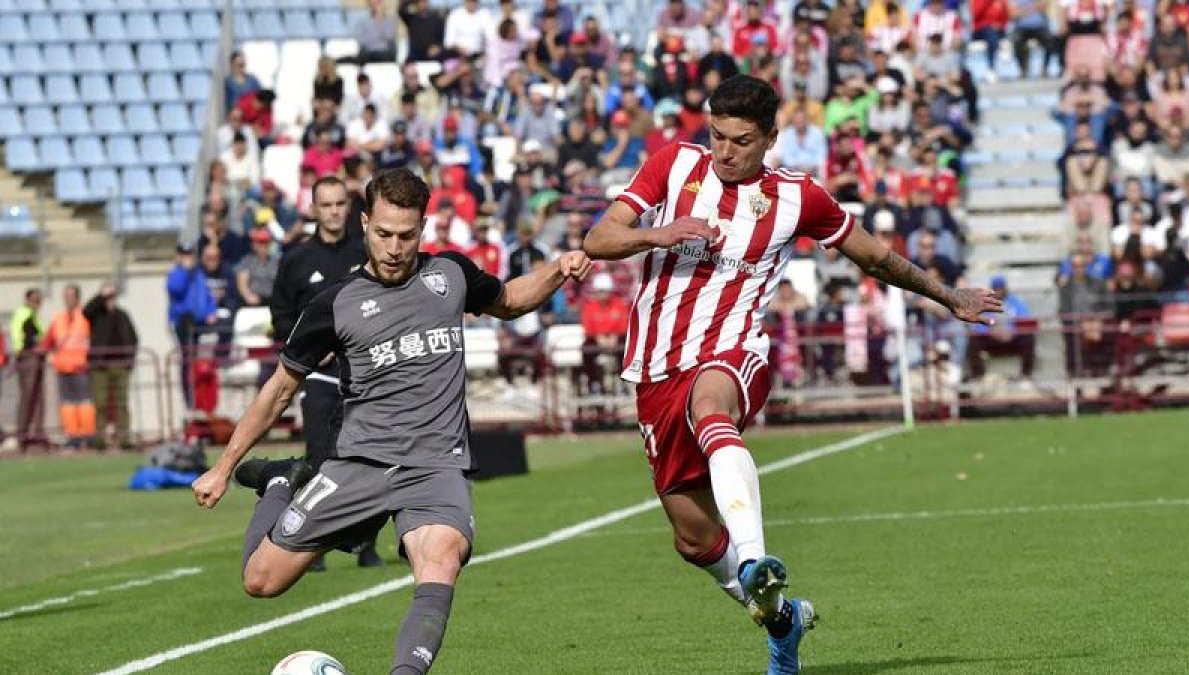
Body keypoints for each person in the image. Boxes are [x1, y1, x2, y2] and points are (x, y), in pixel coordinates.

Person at [582, 74, 1000, 674]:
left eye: (742, 141)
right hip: (654, 367)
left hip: (733, 349)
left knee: (712, 409)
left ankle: (755, 558)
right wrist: (660, 232)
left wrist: (945, 295)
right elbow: (599, 238)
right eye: (718, 136)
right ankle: (782, 618)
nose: (726, 151)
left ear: (771, 138)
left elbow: (875, 257)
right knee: (694, 540)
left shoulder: (798, 197)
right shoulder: (674, 164)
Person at [192, 168, 591, 675]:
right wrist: (225, 467)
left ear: (423, 228)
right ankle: (278, 482)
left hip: (433, 466)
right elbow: (279, 390)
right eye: (383, 234)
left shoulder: (449, 276)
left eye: (407, 235)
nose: (395, 247)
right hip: (360, 462)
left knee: (441, 558)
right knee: (261, 582)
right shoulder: (335, 304)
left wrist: (559, 267)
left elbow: (511, 300)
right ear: (365, 224)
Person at [269, 176, 379, 572]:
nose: (333, 211)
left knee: (365, 460)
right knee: (318, 460)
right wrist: (311, 351)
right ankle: (307, 547)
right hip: (317, 377)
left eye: (339, 204)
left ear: (348, 209)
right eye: (326, 205)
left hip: (365, 376)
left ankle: (365, 545)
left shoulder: (367, 252)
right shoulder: (296, 260)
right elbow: (280, 318)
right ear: (313, 209)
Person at [82, 282, 139, 450]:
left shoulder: (122, 315)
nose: (110, 300)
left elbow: (133, 338)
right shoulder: (96, 314)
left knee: (122, 404)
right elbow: (86, 311)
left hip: (120, 365)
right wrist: (101, 296)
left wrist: (129, 359)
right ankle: (100, 439)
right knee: (100, 403)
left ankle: (124, 439)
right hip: (100, 366)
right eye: (107, 297)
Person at [42, 284, 95, 449]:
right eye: (66, 296)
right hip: (63, 367)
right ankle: (73, 435)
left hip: (81, 366)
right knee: (68, 403)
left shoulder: (86, 316)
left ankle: (88, 435)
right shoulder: (58, 318)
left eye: (71, 296)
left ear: (78, 298)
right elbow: (48, 341)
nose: (68, 299)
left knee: (85, 402)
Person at [167, 242, 218, 409]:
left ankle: (204, 399)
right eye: (184, 254)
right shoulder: (176, 274)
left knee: (203, 363)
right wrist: (184, 271)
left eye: (190, 254)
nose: (188, 258)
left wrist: (211, 311)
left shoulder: (199, 274)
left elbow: (208, 297)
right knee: (188, 361)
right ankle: (191, 401)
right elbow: (176, 289)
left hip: (201, 324)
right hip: (184, 324)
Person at [9, 288, 47, 451]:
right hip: (27, 357)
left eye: (39, 300)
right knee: (28, 396)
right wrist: (22, 351)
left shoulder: (33, 315)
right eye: (34, 300)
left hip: (35, 357)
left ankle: (34, 434)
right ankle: (22, 434)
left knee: (36, 397)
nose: (37, 303)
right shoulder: (24, 314)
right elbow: (20, 336)